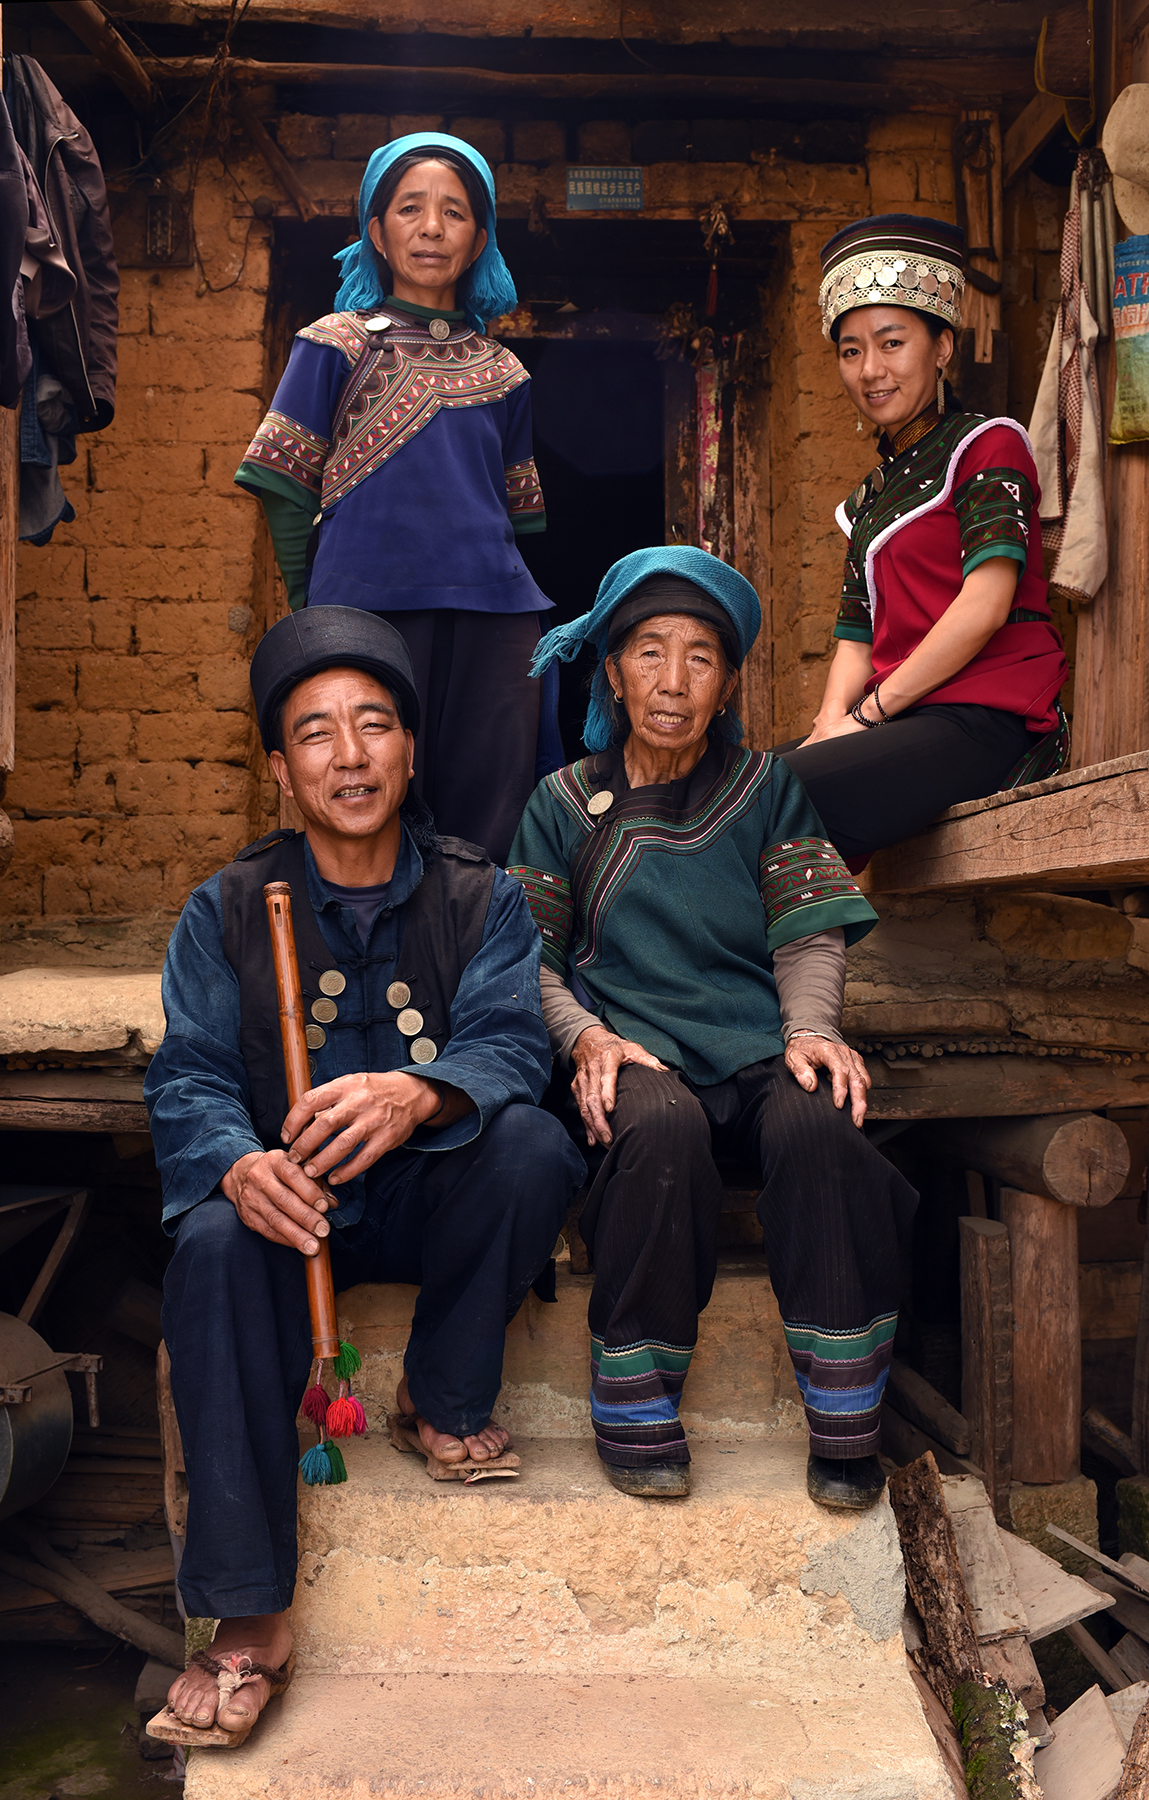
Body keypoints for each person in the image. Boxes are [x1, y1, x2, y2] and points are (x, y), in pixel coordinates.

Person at [143, 606, 584, 1746]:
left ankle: (438, 1400)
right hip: (293, 1220)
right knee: (202, 1241)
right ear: (280, 770)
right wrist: (238, 1165)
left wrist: (420, 1094)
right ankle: (248, 1619)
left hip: (425, 1194)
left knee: (535, 1143)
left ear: (411, 748)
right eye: (317, 734)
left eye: (374, 725)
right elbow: (186, 1072)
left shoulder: (479, 895)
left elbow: (510, 1043)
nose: (350, 755)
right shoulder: (226, 908)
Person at [508, 546, 917, 1509]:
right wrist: (586, 1040)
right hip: (634, 1047)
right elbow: (527, 961)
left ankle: (847, 1417)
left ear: (728, 680)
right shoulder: (562, 803)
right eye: (649, 652)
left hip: (755, 1043)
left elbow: (807, 931)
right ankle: (635, 1400)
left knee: (821, 1124)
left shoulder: (766, 788)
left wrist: (812, 1031)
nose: (672, 680)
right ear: (611, 670)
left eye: (700, 656)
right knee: (660, 1130)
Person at [235, 132, 559, 864]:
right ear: (376, 231)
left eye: (454, 212)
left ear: (480, 240)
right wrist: (313, 610)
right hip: (367, 610)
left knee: (493, 799)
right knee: (373, 792)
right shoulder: (335, 344)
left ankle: (481, 953)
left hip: (496, 617)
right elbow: (284, 489)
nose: (432, 227)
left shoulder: (503, 369)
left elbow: (517, 516)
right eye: (410, 209)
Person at [776, 214, 1068, 869]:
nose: (869, 370)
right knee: (726, 795)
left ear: (941, 346)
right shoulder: (869, 496)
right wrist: (829, 724)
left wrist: (872, 713)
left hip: (986, 716)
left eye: (890, 343)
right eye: (850, 350)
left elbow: (985, 604)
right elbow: (855, 632)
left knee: (778, 796)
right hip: (904, 722)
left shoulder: (987, 445)